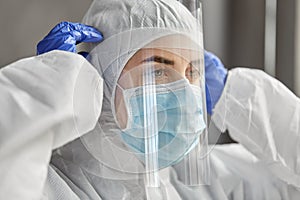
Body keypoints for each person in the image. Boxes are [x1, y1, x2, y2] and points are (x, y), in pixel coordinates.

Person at [0, 0, 299, 200]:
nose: (184, 91)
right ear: (101, 79)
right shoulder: (47, 186)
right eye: (158, 70)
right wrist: (53, 82)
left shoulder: (207, 186)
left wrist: (238, 95)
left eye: (192, 71)